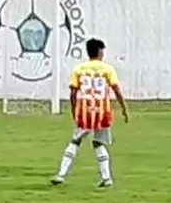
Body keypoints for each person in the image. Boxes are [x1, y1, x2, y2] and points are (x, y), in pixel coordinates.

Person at [51, 38, 129, 188]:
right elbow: (116, 90)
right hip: (102, 112)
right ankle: (107, 178)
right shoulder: (108, 69)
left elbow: (73, 92)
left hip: (85, 111)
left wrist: (74, 110)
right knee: (99, 142)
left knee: (75, 141)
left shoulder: (79, 69)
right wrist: (124, 108)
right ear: (100, 52)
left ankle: (61, 174)